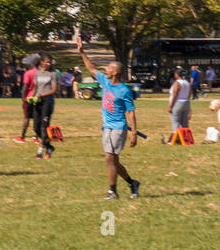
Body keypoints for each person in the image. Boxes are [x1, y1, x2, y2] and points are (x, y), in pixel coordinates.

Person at [75, 35, 140, 200]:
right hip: (107, 127)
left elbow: (131, 112)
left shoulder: (124, 90)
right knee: (113, 161)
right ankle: (132, 183)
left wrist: (134, 133)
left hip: (119, 127)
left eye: (109, 68)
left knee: (110, 158)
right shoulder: (105, 81)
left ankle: (113, 191)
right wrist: (82, 52)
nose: (106, 69)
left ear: (115, 72)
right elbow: (91, 69)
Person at [31, 54, 60, 159]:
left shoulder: (53, 74)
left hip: (48, 101)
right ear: (42, 62)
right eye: (47, 61)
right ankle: (49, 147)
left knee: (44, 126)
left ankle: (40, 152)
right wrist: (32, 96)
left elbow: (53, 90)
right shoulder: (37, 73)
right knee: (35, 127)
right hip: (37, 101)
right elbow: (35, 87)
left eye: (50, 62)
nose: (49, 63)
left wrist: (41, 95)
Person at [14, 60, 38, 143]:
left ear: (32, 63)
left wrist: (23, 99)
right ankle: (36, 137)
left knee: (27, 117)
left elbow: (25, 87)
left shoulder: (28, 73)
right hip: (38, 98)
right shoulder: (41, 73)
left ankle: (22, 137)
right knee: (36, 117)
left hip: (29, 98)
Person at [167, 67, 192, 138]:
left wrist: (170, 106)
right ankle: (187, 139)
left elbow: (175, 94)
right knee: (185, 124)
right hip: (186, 102)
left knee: (175, 122)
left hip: (178, 103)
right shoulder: (187, 82)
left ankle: (174, 139)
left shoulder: (177, 83)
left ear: (177, 74)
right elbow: (189, 94)